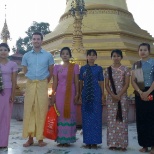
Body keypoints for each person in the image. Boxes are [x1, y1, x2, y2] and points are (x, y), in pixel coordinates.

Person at [22, 32, 54, 147]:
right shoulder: (26, 56)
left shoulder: (48, 56)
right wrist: (32, 79)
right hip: (30, 84)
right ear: (32, 40)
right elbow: (25, 71)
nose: (36, 41)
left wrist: (44, 81)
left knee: (42, 110)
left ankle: (40, 138)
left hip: (42, 84)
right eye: (34, 39)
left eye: (38, 39)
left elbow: (51, 72)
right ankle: (30, 138)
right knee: (30, 110)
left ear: (42, 41)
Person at [52, 47, 79, 147]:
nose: (65, 55)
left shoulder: (75, 67)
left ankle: (68, 138)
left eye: (67, 53)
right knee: (60, 114)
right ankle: (60, 139)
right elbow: (55, 82)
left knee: (69, 114)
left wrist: (77, 94)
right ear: (60, 56)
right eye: (63, 53)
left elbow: (76, 81)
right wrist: (52, 94)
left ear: (70, 55)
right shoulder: (56, 67)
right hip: (59, 93)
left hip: (70, 93)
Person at [104, 49, 130, 151]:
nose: (116, 58)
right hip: (111, 98)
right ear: (111, 58)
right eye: (114, 56)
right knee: (112, 121)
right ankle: (112, 143)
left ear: (121, 57)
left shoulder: (125, 69)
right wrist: (113, 95)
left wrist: (119, 95)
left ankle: (122, 144)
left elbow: (127, 84)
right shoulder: (107, 70)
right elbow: (106, 85)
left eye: (118, 56)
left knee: (122, 120)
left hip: (122, 97)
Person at [131, 43, 154, 154]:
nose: (143, 52)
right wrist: (141, 92)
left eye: (145, 50)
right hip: (139, 92)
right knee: (141, 119)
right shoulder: (136, 65)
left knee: (151, 118)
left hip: (151, 91)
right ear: (138, 51)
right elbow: (133, 81)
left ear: (149, 51)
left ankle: (153, 146)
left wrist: (148, 92)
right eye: (141, 50)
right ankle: (144, 144)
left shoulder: (153, 63)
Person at [79, 49, 104, 149]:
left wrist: (103, 95)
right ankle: (88, 141)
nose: (92, 57)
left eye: (94, 55)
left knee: (96, 118)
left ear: (96, 57)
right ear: (87, 57)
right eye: (90, 55)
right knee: (86, 118)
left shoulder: (99, 69)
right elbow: (81, 82)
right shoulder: (83, 69)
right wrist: (79, 94)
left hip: (96, 94)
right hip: (86, 94)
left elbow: (101, 82)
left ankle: (95, 142)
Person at [0, 43, 18, 148]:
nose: (3, 52)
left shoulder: (13, 64)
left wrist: (13, 94)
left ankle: (3, 143)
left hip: (7, 92)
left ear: (8, 52)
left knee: (5, 117)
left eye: (5, 50)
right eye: (1, 50)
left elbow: (14, 81)